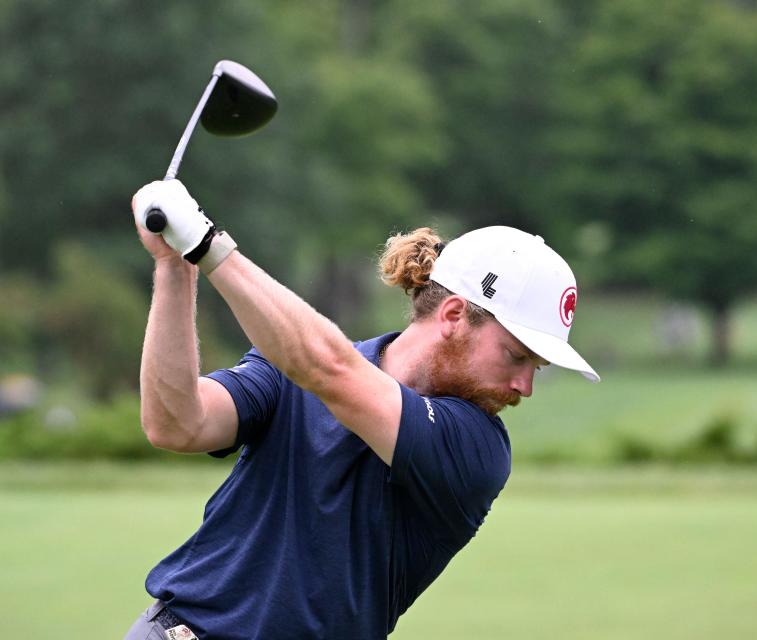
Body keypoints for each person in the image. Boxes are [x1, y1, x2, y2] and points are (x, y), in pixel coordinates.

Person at [124, 179, 599, 640]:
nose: (525, 386)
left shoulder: (478, 448)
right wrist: (175, 265)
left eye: (536, 366)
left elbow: (331, 372)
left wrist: (205, 245)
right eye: (517, 357)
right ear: (454, 316)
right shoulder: (293, 363)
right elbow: (177, 425)